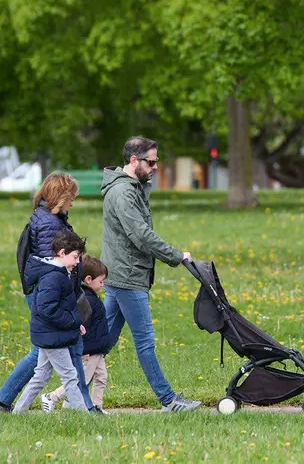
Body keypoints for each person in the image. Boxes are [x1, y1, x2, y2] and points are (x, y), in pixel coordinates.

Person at [100, 136, 202, 412]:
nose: (156, 166)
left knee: (100, 343)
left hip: (121, 273)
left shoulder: (132, 188)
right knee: (144, 341)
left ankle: (59, 395)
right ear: (134, 161)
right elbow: (141, 236)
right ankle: (169, 400)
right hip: (127, 276)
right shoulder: (123, 193)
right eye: (152, 161)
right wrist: (177, 256)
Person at [0, 171, 97, 412]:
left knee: (48, 353)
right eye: (71, 197)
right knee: (53, 349)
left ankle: (4, 402)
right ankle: (83, 408)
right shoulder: (49, 223)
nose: (72, 202)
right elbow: (54, 266)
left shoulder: (49, 217)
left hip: (46, 292)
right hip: (48, 295)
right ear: (60, 196)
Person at [12, 229, 89, 413]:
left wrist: (75, 322)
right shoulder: (54, 277)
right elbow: (47, 309)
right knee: (70, 376)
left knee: (41, 376)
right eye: (75, 257)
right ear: (62, 253)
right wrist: (71, 321)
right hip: (52, 335)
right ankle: (84, 417)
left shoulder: (59, 273)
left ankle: (18, 412)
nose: (78, 262)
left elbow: (61, 306)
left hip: (49, 334)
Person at [43, 255, 115, 413]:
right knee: (81, 380)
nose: (102, 285)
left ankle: (96, 407)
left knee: (101, 378)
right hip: (90, 350)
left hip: (98, 348)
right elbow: (81, 328)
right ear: (89, 279)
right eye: (101, 281)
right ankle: (52, 397)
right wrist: (82, 351)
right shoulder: (86, 301)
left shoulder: (92, 298)